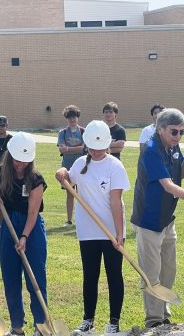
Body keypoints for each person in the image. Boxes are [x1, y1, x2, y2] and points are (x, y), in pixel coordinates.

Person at [55, 120, 130, 335]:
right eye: (92, 146)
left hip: (111, 231)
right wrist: (62, 172)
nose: (97, 151)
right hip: (88, 231)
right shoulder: (79, 163)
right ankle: (88, 320)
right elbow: (67, 179)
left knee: (114, 275)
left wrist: (119, 234)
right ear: (87, 144)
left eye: (100, 146)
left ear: (107, 144)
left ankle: (114, 322)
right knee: (90, 275)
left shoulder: (115, 165)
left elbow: (116, 202)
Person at [0, 132, 47, 336]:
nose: (20, 164)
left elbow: (32, 213)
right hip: (8, 225)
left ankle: (41, 326)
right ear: (10, 155)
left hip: (32, 228)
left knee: (35, 277)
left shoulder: (36, 179)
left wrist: (25, 237)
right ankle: (17, 326)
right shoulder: (2, 172)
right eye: (17, 159)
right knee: (10, 278)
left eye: (24, 161)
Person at [131, 108, 184, 328]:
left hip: (166, 218)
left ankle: (164, 312)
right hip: (149, 221)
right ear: (160, 128)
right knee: (151, 272)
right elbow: (169, 186)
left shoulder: (173, 146)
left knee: (168, 269)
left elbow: (180, 170)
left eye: (182, 132)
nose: (178, 136)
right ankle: (154, 320)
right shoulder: (151, 150)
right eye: (174, 132)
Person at [57, 105, 85, 226]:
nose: (72, 120)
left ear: (78, 118)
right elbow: (61, 150)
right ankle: (69, 220)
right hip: (67, 167)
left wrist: (68, 148)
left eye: (74, 117)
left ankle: (83, 218)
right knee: (70, 194)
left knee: (82, 193)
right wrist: (74, 149)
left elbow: (85, 148)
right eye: (70, 118)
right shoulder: (62, 132)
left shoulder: (84, 131)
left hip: (82, 167)